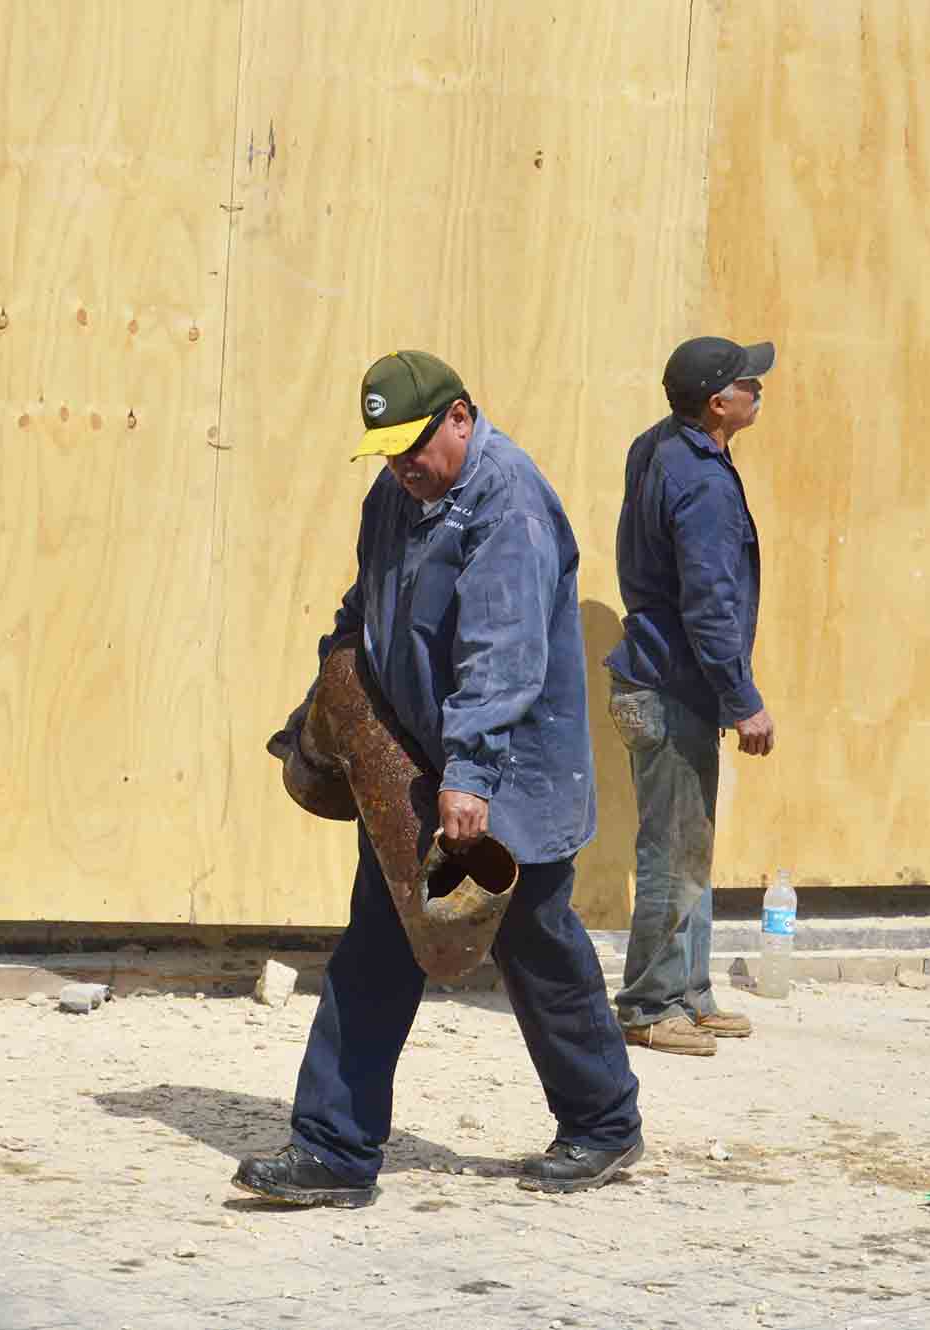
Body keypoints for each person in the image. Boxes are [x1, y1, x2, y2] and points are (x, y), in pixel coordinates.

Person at [234, 350, 643, 1208]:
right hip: (424, 768)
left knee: (537, 945)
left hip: (507, 774)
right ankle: (333, 1150)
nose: (402, 466)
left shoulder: (508, 502)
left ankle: (604, 1122)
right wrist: (332, 692)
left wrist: (471, 775)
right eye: (386, 451)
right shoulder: (394, 496)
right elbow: (366, 608)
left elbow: (503, 654)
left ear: (461, 415)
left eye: (414, 446)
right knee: (378, 944)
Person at [604, 336, 777, 1057]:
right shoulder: (702, 482)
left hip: (660, 677)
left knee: (689, 843)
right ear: (716, 404)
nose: (758, 390)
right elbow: (710, 604)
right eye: (748, 383)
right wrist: (742, 697)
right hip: (672, 684)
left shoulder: (661, 446)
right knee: (672, 850)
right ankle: (648, 1005)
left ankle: (689, 993)